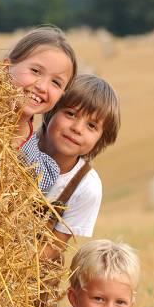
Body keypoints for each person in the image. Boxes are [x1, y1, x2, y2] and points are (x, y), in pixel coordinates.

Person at [38, 74, 120, 260]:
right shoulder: (18, 144)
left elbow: (53, 248)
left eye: (91, 126)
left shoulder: (86, 187)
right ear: (51, 110)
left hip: (28, 274)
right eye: (70, 114)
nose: (77, 128)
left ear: (101, 140)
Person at [4, 26, 77, 192]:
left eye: (56, 83)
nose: (43, 87)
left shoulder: (40, 170)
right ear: (6, 67)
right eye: (35, 71)